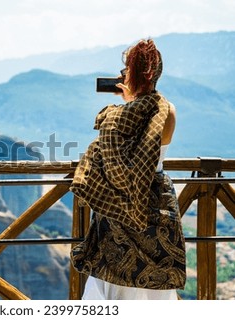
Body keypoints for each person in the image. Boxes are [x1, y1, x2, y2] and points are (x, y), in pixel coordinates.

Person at [70, 39, 186, 300]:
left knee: (112, 277)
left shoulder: (116, 116)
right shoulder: (167, 111)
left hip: (116, 206)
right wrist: (134, 98)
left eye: (126, 69)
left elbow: (113, 154)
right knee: (152, 282)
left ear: (134, 74)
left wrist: (128, 100)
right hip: (155, 201)